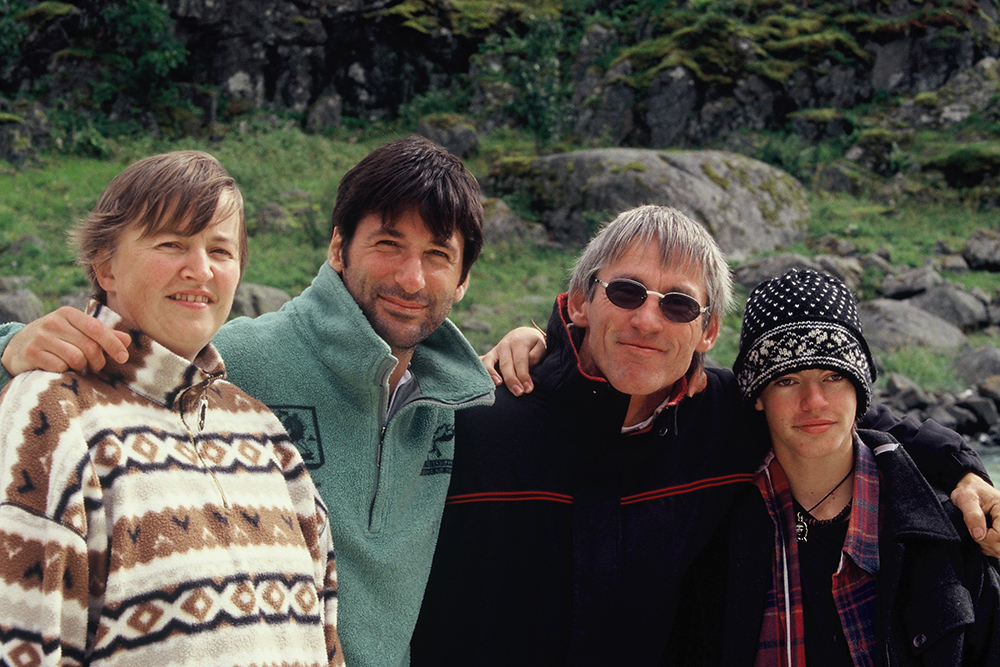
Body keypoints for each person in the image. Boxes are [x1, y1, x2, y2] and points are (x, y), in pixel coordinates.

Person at [410, 205, 998, 666]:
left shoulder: (722, 419)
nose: (647, 318)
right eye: (626, 291)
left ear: (709, 330)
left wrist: (959, 466)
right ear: (580, 302)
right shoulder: (478, 415)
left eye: (678, 305)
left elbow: (839, 418)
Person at [0, 136, 495, 667]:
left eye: (220, 250)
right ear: (337, 248)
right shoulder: (77, 407)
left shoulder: (462, 408)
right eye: (388, 244)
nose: (411, 277)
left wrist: (543, 352)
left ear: (464, 279)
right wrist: (9, 345)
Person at [0, 150, 344, 666]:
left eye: (221, 251)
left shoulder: (263, 430)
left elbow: (326, 642)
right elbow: (21, 644)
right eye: (172, 244)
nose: (200, 270)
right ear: (105, 267)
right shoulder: (53, 413)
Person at [673, 268, 1000, 665]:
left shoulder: (944, 529)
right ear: (757, 396)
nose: (814, 401)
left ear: (859, 390)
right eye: (787, 381)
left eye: (832, 376)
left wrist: (961, 468)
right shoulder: (713, 528)